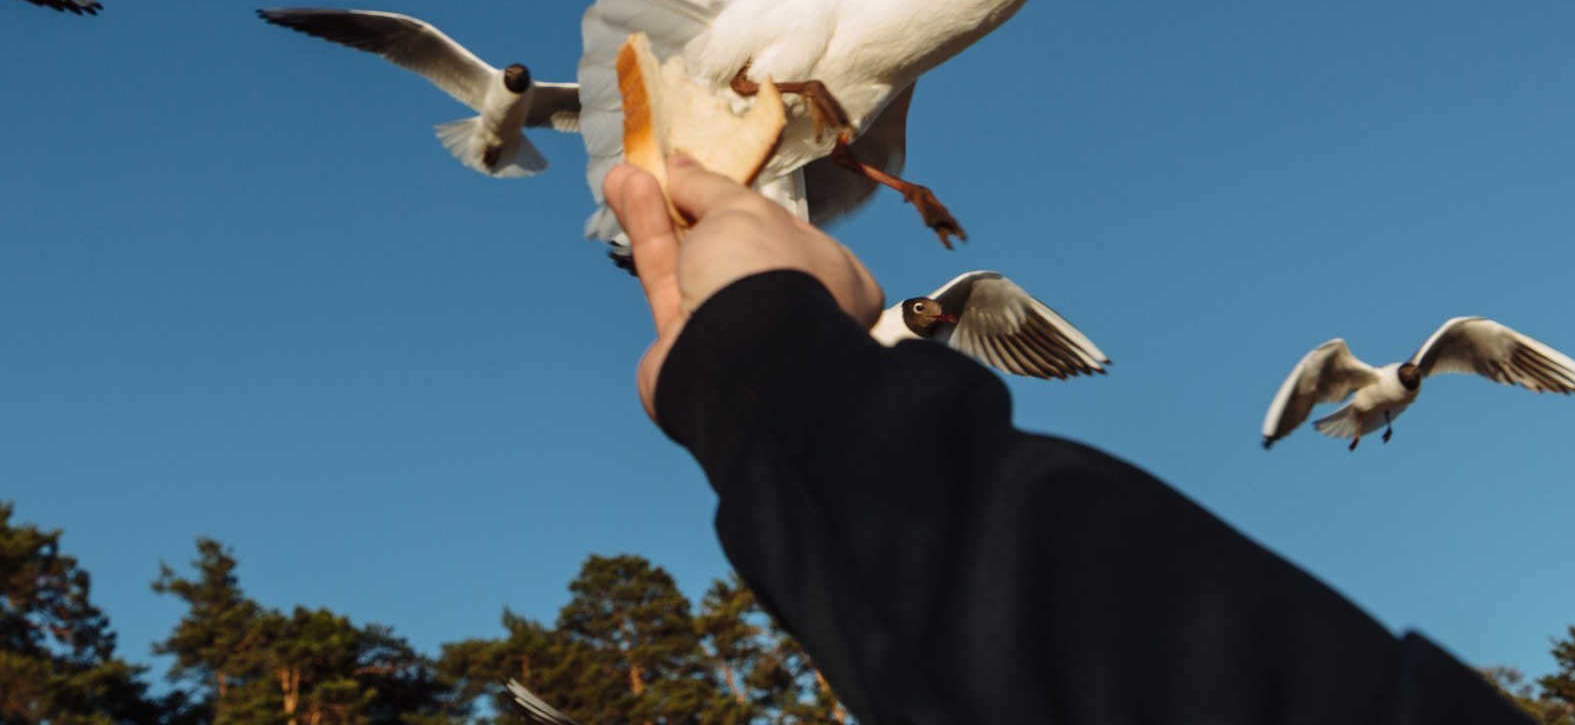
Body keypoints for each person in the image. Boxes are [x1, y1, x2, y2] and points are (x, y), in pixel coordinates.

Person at [603, 156, 1524, 725]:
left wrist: (772, 369)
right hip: (837, 388)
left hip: (826, 396)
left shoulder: (893, 338)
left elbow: (1116, 658)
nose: (933, 311)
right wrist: (783, 369)